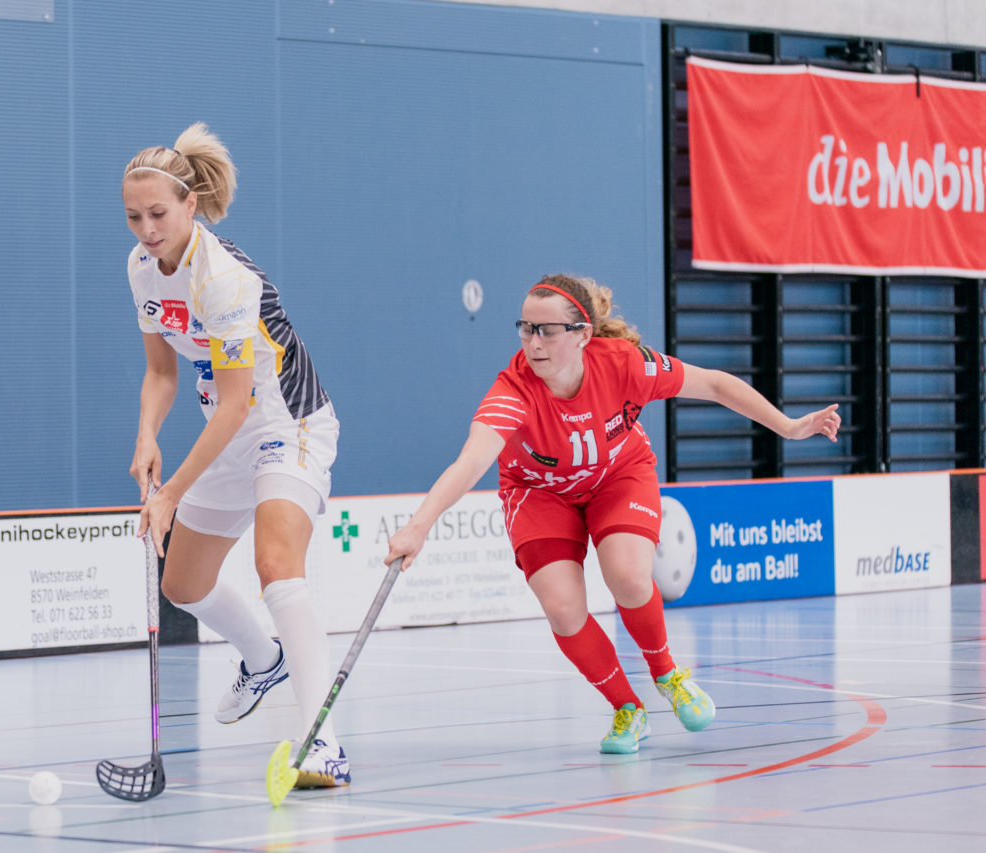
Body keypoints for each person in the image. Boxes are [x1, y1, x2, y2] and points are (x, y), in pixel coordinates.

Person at [385, 274, 841, 754]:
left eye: (547, 331)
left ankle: (667, 674)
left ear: (583, 334)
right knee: (563, 609)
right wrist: (418, 527)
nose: (533, 343)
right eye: (526, 328)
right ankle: (628, 708)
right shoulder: (512, 391)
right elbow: (470, 462)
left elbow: (714, 384)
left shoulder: (625, 364)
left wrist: (789, 427)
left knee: (627, 575)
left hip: (617, 474)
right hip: (539, 492)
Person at [124, 123, 348, 787]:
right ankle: (261, 658)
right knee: (182, 584)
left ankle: (323, 743)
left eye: (158, 214)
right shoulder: (142, 269)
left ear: (190, 205)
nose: (146, 229)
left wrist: (170, 493)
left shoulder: (223, 279)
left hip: (287, 422)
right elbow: (161, 372)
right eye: (134, 217)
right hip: (225, 430)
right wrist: (146, 436)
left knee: (276, 565)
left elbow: (236, 403)